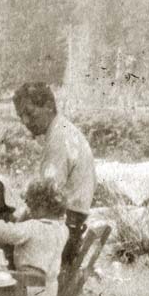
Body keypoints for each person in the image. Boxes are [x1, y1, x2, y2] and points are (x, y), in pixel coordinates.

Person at [13, 83, 96, 273]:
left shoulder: (59, 139)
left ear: (49, 106)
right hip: (69, 226)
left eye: (30, 113)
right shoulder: (64, 129)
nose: (25, 121)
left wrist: (13, 226)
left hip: (62, 231)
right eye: (20, 116)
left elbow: (45, 196)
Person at [0, 179, 69, 296]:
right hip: (49, 290)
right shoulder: (62, 229)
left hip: (29, 287)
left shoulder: (33, 227)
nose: (28, 211)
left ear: (42, 207)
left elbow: (6, 232)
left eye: (31, 206)